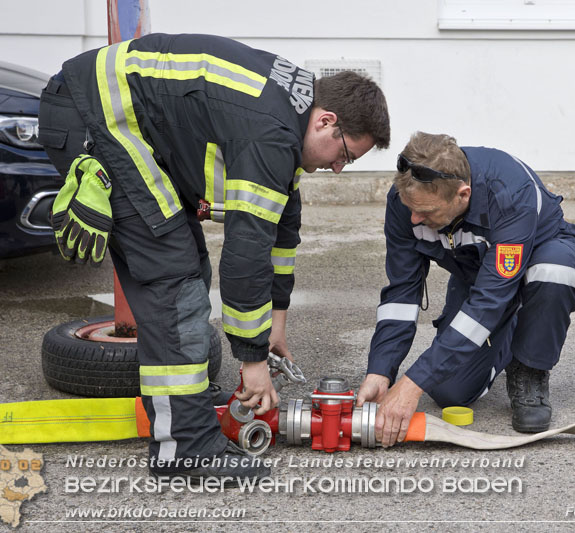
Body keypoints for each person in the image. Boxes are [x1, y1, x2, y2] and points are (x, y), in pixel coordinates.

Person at [38, 33, 390, 482]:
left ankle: (186, 410)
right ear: (326, 121)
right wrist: (253, 363)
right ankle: (185, 449)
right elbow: (245, 256)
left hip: (114, 114)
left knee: (189, 266)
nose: (339, 169)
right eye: (345, 155)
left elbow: (281, 232)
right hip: (95, 118)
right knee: (173, 277)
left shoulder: (290, 112)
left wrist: (273, 329)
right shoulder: (271, 132)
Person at [357, 132, 575, 447]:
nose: (414, 218)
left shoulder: (509, 194)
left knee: (554, 273)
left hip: (540, 252)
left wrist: (411, 386)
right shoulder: (407, 201)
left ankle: (530, 368)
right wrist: (381, 370)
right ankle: (514, 322)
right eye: (411, 209)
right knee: (450, 391)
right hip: (479, 275)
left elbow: (486, 304)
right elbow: (401, 294)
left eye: (426, 213)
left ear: (462, 195)